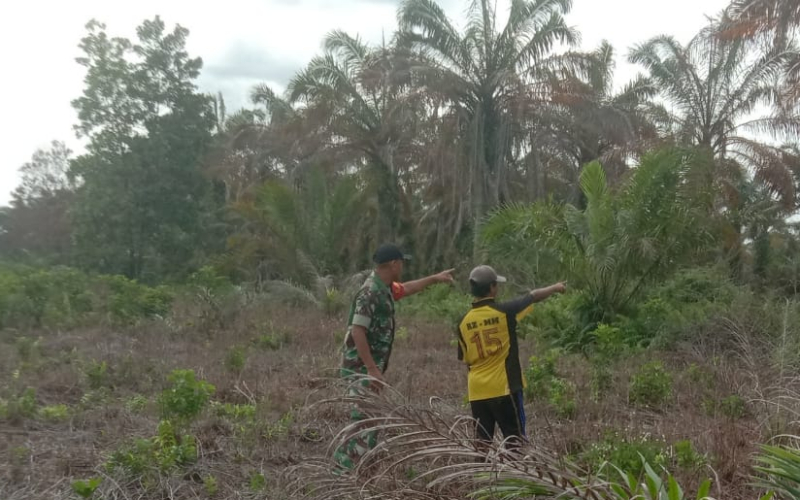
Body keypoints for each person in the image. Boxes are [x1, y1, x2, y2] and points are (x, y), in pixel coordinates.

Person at [333, 243, 455, 472]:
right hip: (359, 369)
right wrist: (371, 369)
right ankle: (342, 470)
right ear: (393, 264)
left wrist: (435, 278)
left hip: (369, 368)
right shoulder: (370, 292)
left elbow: (406, 289)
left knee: (373, 418)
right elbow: (357, 330)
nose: (403, 267)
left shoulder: (385, 287)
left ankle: (362, 468)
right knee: (364, 421)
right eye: (401, 263)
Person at [456, 265, 566, 450]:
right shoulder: (506, 312)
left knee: (482, 443)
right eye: (496, 285)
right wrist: (556, 287)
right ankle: (513, 477)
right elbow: (533, 296)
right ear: (492, 287)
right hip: (504, 388)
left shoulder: (462, 322)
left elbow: (466, 359)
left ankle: (478, 476)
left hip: (477, 391)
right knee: (514, 441)